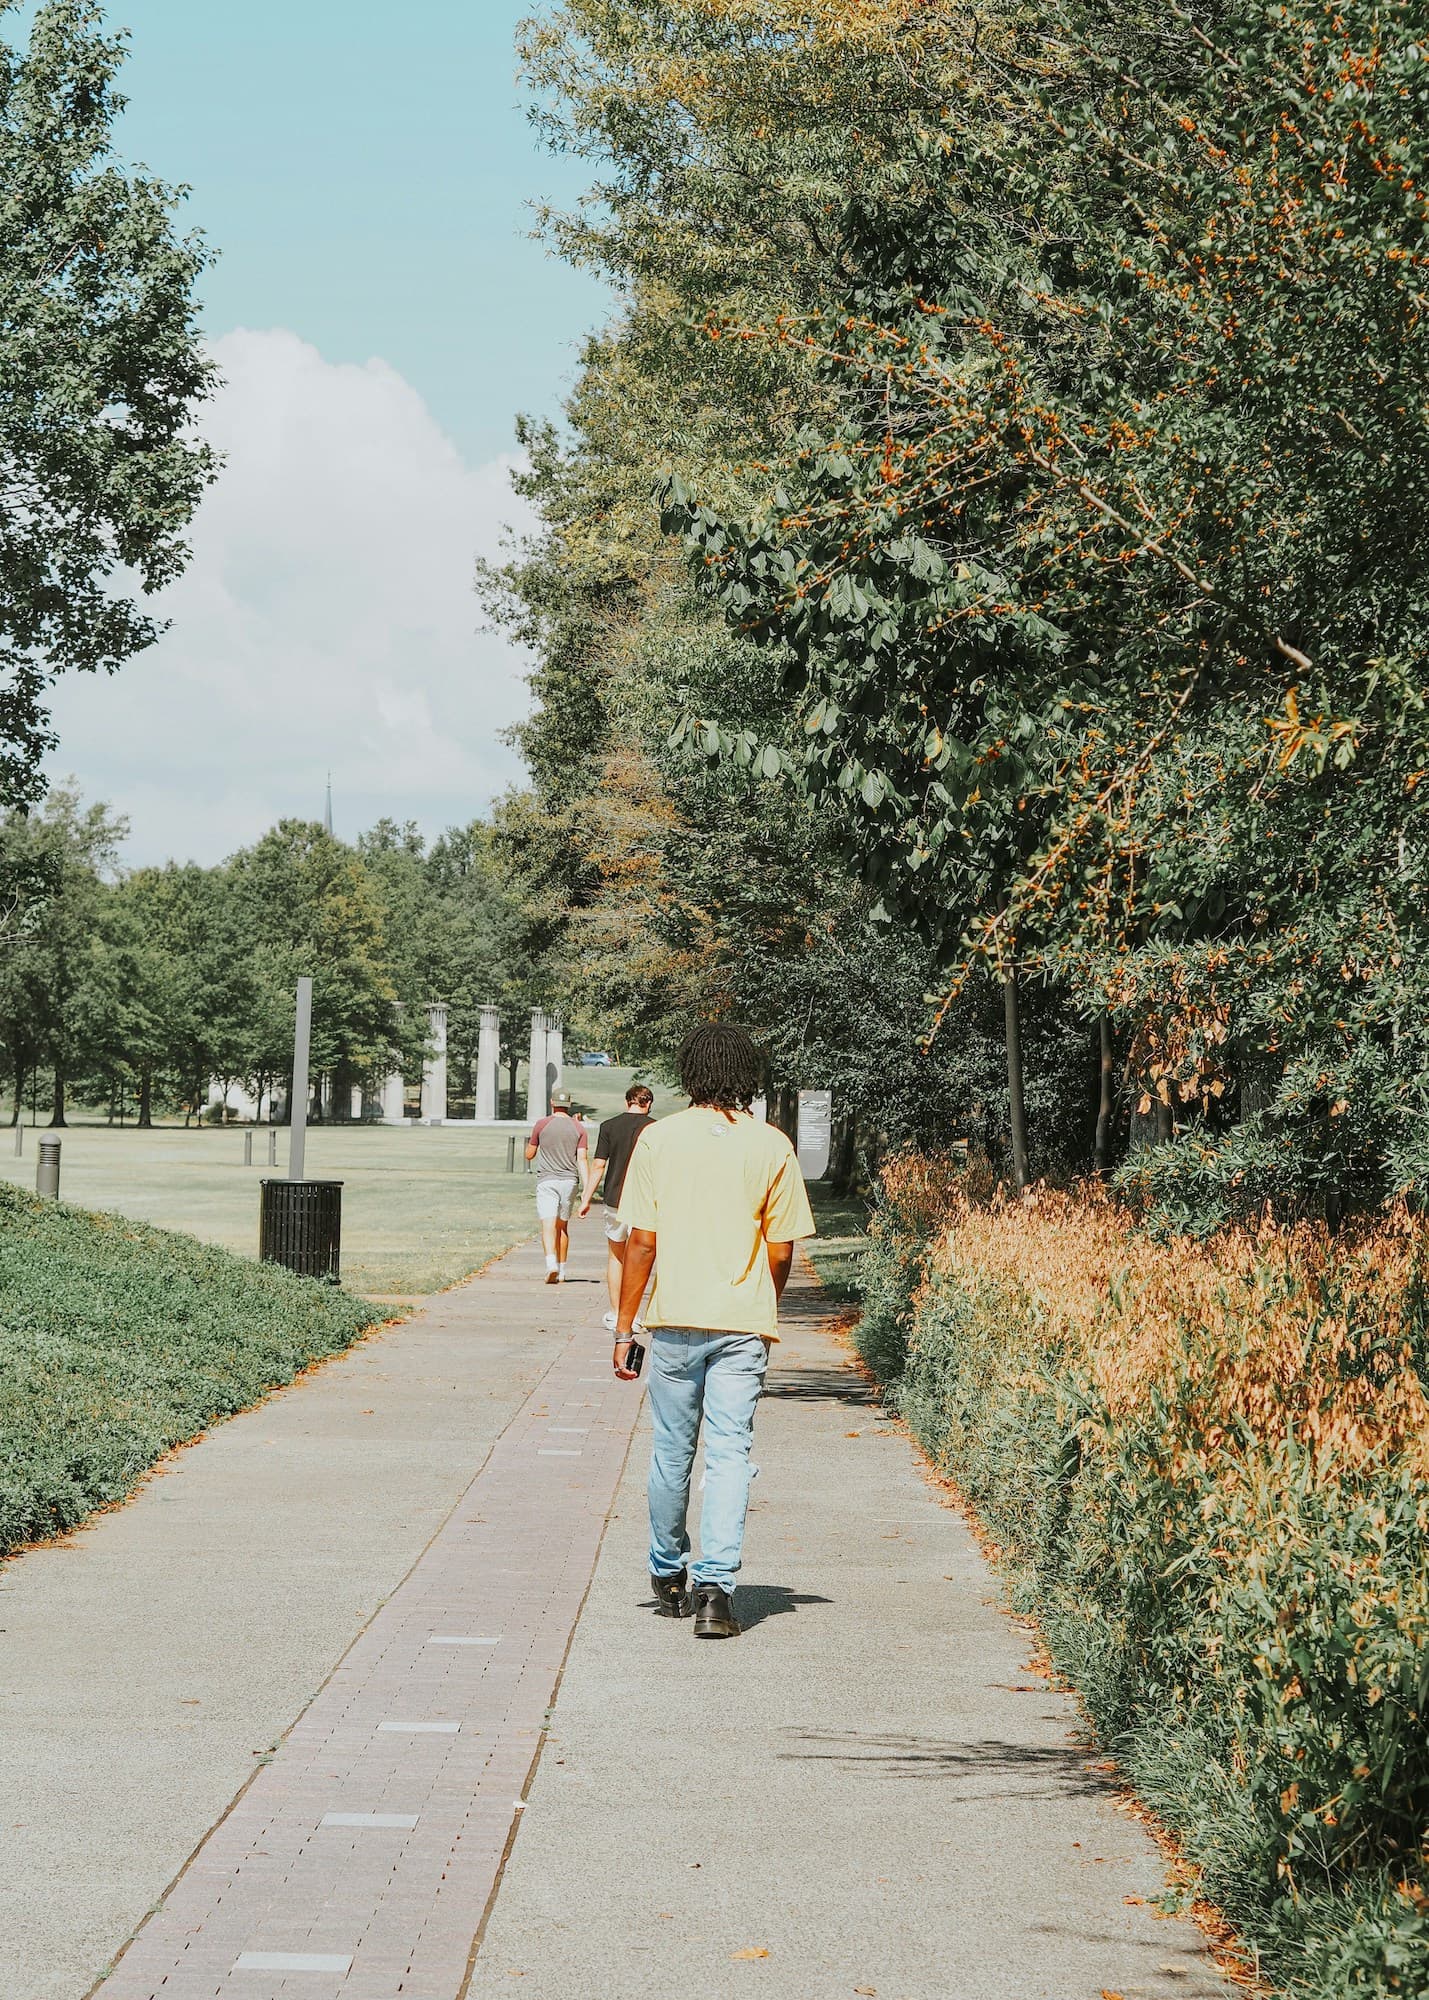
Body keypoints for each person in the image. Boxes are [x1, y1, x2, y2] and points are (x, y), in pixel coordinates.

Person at [614, 1023, 815, 1639]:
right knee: (731, 1456)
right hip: (742, 1325)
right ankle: (715, 1591)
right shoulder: (771, 1145)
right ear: (746, 1075)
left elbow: (641, 1243)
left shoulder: (657, 1140)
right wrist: (763, 1302)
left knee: (671, 1452)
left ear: (690, 1071)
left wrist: (625, 1327)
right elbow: (780, 1249)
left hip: (673, 1320)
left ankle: (667, 1570)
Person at [581, 1081, 656, 1334]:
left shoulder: (609, 1126)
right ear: (649, 1104)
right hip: (645, 1201)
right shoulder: (655, 1129)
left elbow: (599, 1165)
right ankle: (635, 1315)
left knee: (616, 1255)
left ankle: (616, 1314)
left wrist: (586, 1198)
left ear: (628, 1102)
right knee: (643, 1257)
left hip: (615, 1198)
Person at [525, 1089, 592, 1284]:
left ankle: (550, 1264)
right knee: (562, 1227)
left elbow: (529, 1155)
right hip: (569, 1181)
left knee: (548, 1224)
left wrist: (533, 1144)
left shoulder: (542, 1124)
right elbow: (582, 1159)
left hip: (547, 1180)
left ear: (552, 1103)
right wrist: (587, 1191)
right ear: (569, 1105)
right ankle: (562, 1271)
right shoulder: (579, 1128)